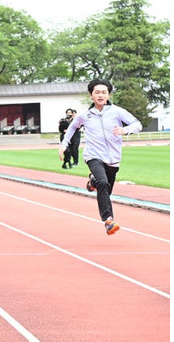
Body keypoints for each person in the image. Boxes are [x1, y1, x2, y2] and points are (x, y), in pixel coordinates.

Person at [59, 79, 142, 235]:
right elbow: (72, 128)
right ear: (91, 95)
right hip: (93, 155)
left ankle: (93, 181)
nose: (100, 95)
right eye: (97, 92)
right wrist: (63, 145)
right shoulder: (85, 115)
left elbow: (137, 124)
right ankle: (108, 221)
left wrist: (125, 131)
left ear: (108, 94)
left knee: (105, 191)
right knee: (102, 183)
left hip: (113, 158)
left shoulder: (117, 111)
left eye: (104, 92)